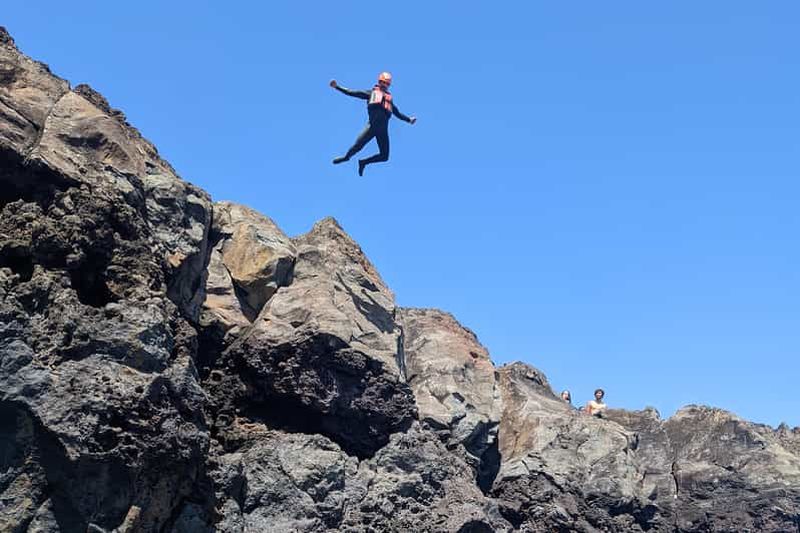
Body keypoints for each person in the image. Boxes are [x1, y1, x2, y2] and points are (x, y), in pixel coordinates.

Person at [330, 72, 416, 176]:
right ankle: (346, 157)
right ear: (379, 82)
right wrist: (337, 87)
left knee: (384, 156)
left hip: (383, 131)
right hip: (371, 127)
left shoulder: (389, 100)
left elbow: (397, 113)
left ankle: (363, 162)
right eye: (384, 83)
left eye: (387, 84)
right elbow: (352, 92)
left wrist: (409, 120)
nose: (385, 85)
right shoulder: (371, 93)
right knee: (357, 146)